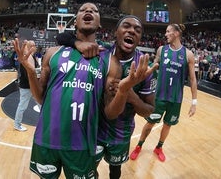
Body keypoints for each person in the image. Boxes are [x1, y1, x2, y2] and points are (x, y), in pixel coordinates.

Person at [12, 3, 155, 179]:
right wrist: (31, 72)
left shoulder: (111, 61)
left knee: (114, 170)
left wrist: (124, 90)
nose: (88, 11)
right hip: (47, 138)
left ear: (100, 25)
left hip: (86, 142)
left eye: (95, 10)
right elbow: (41, 98)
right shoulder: (53, 53)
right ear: (75, 21)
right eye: (83, 10)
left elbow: (112, 113)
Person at [56, 15, 158, 179]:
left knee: (115, 170)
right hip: (93, 130)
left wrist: (130, 96)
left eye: (137, 30)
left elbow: (149, 111)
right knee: (89, 171)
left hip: (120, 134)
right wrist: (78, 43)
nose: (131, 30)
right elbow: (61, 37)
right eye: (126, 26)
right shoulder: (100, 51)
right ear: (115, 32)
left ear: (140, 38)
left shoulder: (145, 68)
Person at [130, 23, 197, 162]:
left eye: (168, 32)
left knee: (168, 125)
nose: (165, 34)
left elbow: (192, 79)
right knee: (150, 123)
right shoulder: (161, 50)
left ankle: (159, 147)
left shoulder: (188, 55)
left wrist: (194, 102)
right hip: (159, 97)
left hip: (176, 99)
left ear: (176, 33)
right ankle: (139, 146)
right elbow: (153, 67)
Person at [13, 54, 40, 132]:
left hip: (31, 86)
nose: (35, 47)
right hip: (26, 87)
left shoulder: (32, 57)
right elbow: (28, 75)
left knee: (41, 104)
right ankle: (17, 125)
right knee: (22, 106)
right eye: (33, 46)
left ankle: (45, 123)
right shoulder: (26, 59)